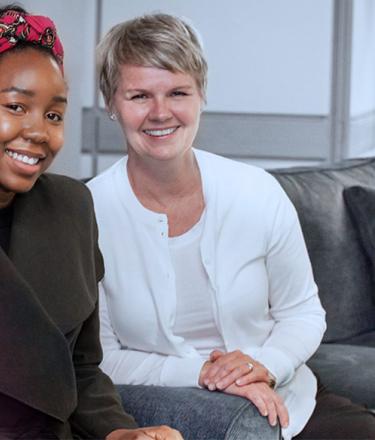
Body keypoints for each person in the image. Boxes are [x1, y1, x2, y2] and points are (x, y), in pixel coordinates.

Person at [88, 13, 375, 440]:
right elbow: (99, 357)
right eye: (139, 95)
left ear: (201, 94)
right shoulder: (87, 211)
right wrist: (207, 373)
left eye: (178, 92)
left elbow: (303, 313)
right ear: (111, 103)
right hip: (163, 408)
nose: (160, 112)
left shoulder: (258, 192)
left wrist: (265, 365)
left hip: (281, 393)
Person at [0, 5, 183, 440]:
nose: (40, 132)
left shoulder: (70, 207)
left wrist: (119, 433)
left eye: (54, 114)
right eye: (15, 105)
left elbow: (79, 369)